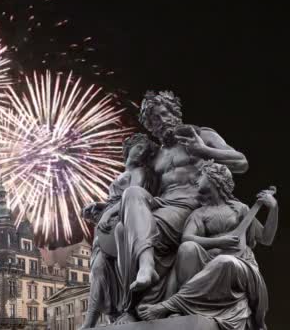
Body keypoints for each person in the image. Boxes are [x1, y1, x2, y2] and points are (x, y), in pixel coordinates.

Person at [114, 91, 248, 323]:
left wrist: (204, 151)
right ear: (150, 128)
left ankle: (145, 297)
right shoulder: (155, 156)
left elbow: (241, 163)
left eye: (164, 114)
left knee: (139, 229)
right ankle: (141, 280)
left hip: (192, 206)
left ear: (175, 113)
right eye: (154, 120)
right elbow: (135, 183)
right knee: (124, 219)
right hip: (162, 205)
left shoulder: (202, 135)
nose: (161, 121)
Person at [137, 161, 277, 330]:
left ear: (214, 179)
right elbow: (187, 238)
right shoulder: (200, 213)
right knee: (188, 248)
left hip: (240, 266)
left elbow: (266, 239)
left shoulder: (240, 209)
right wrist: (218, 242)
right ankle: (184, 307)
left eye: (201, 175)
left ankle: (169, 305)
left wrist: (273, 208)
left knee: (225, 262)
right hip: (210, 261)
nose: (196, 180)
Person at [80, 133, 158, 328]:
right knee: (97, 269)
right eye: (139, 147)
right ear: (128, 149)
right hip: (106, 227)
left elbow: (131, 195)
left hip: (121, 219)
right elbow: (115, 199)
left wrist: (107, 213)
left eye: (145, 151)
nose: (141, 153)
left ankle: (126, 307)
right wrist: (99, 206)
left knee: (109, 265)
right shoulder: (122, 174)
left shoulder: (140, 171)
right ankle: (91, 320)